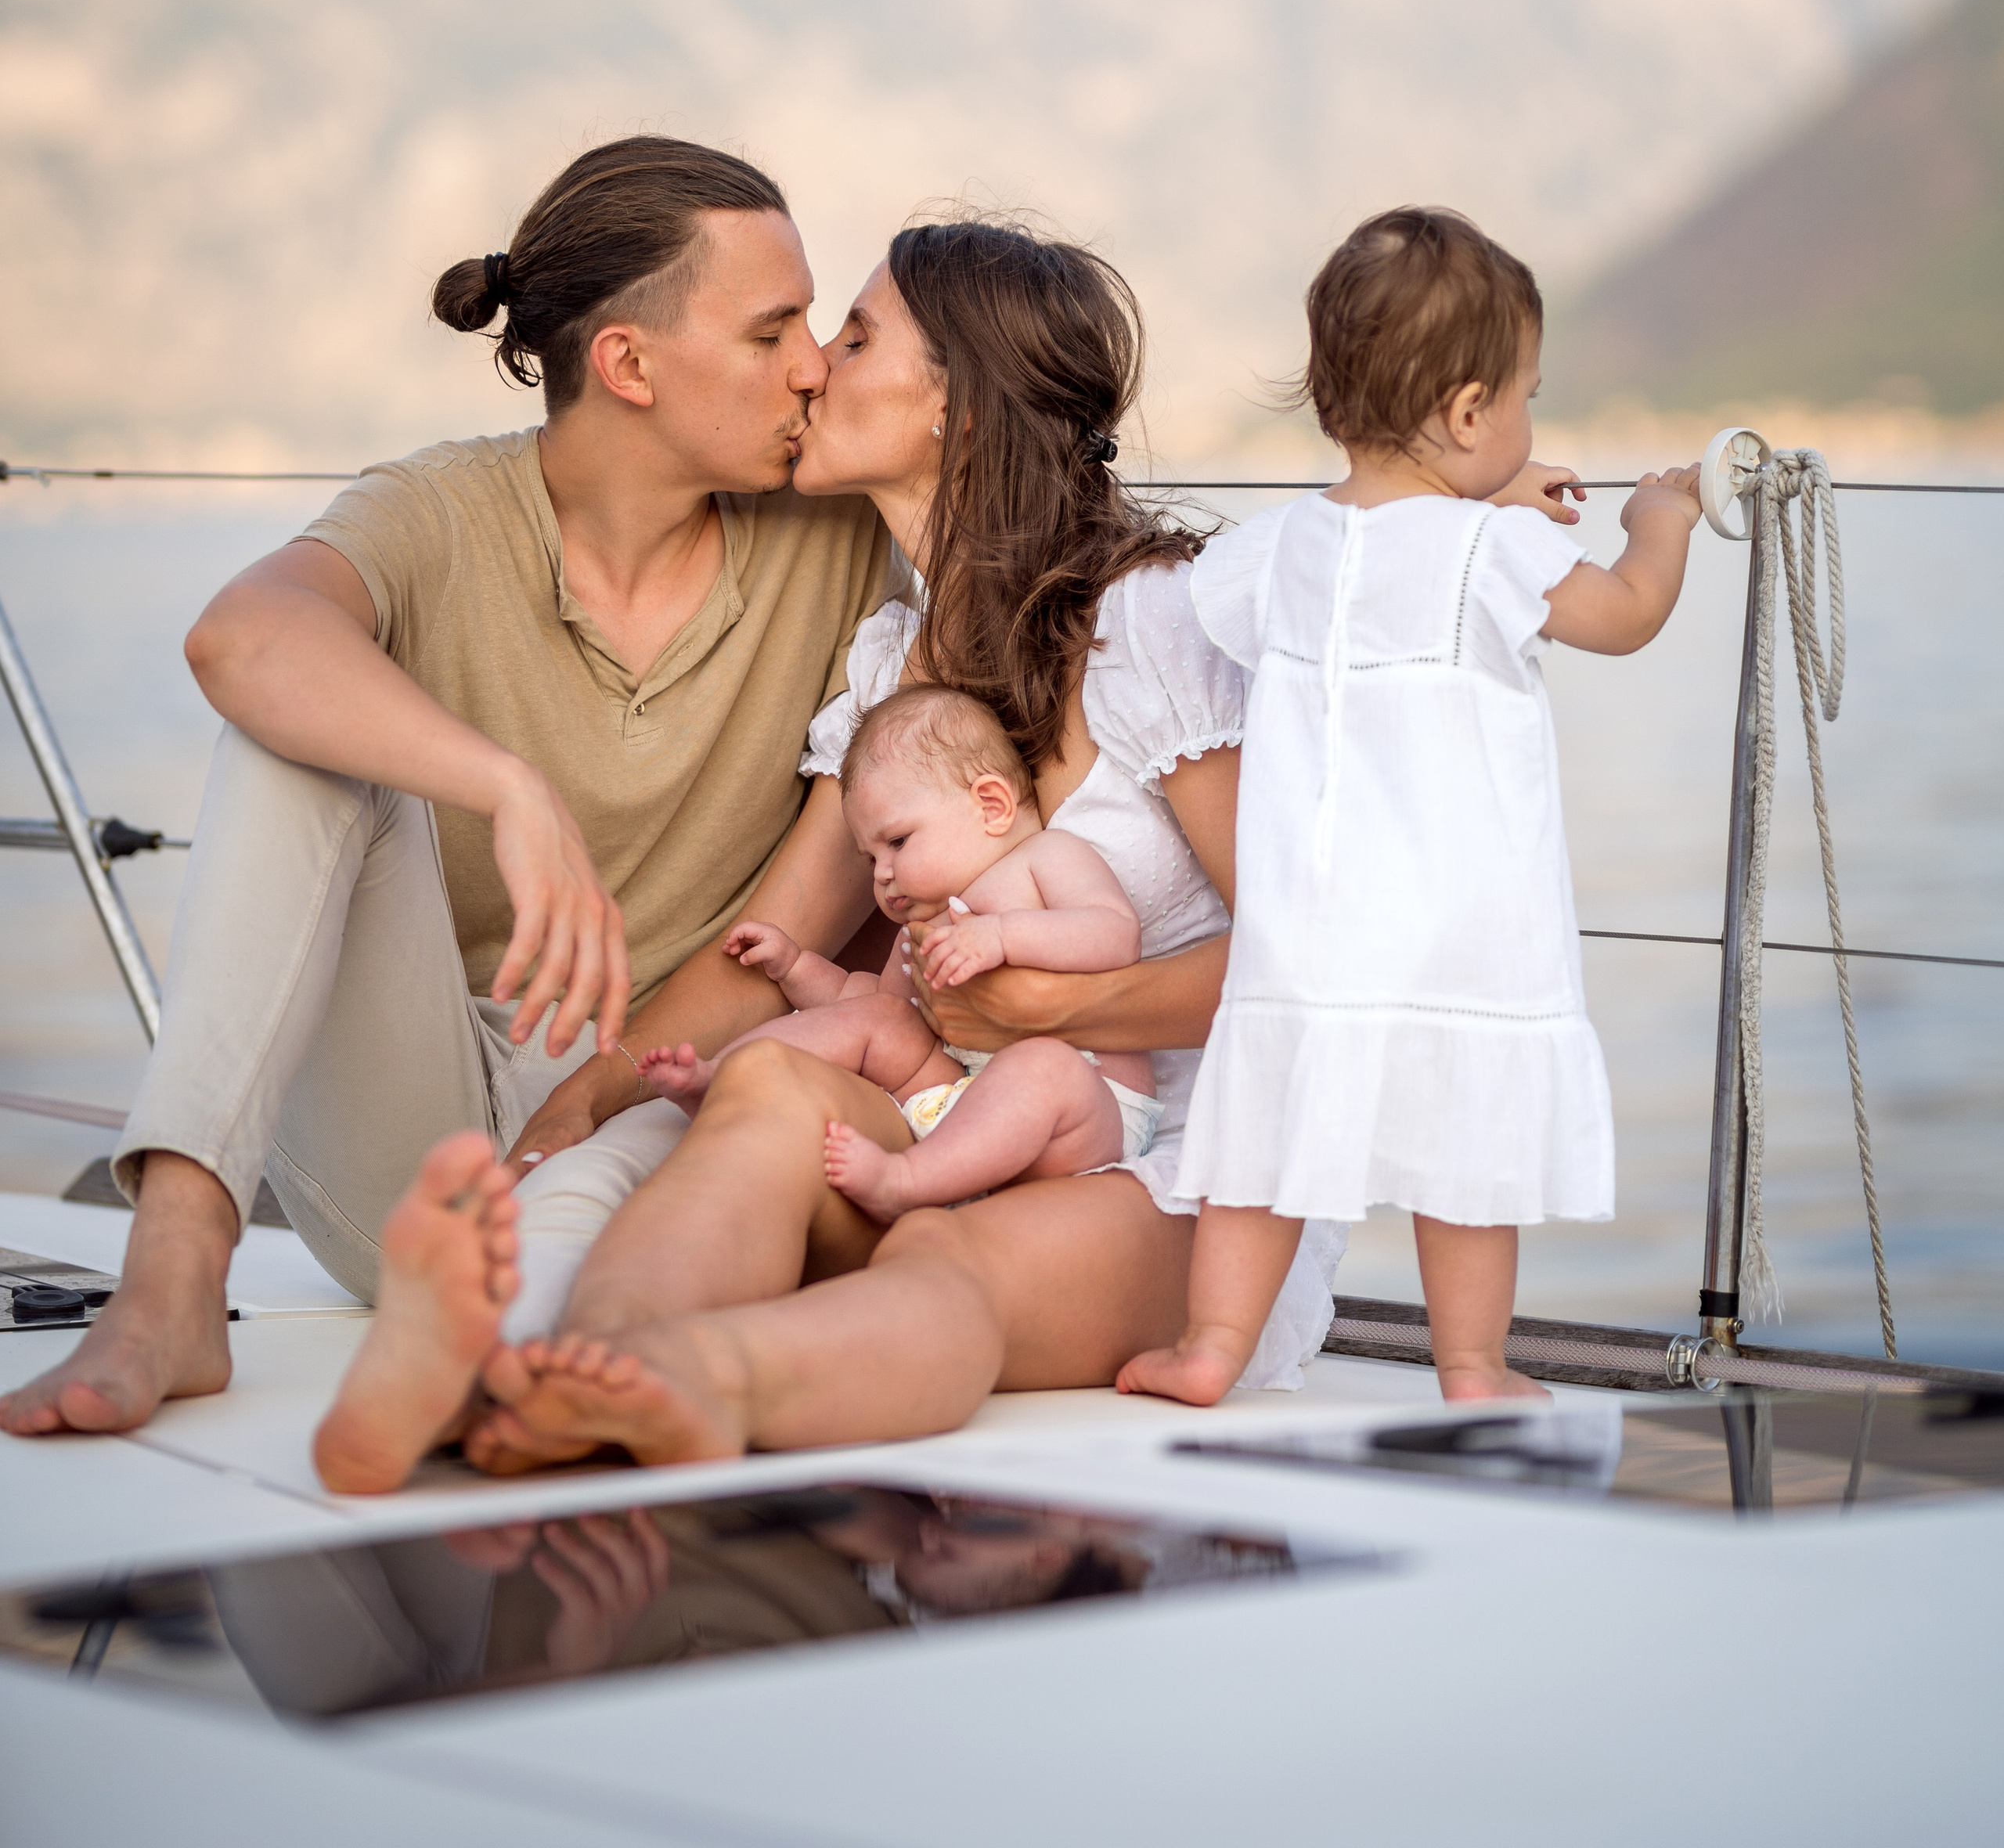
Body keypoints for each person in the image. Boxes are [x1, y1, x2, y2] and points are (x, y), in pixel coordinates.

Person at [308, 214, 1583, 1488]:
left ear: (954, 410)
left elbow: (1313, 961)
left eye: (857, 338)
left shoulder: (1149, 627)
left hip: (1178, 1174)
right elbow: (777, 942)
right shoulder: (889, 671)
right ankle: (564, 1376)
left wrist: (1074, 1001)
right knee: (763, 1091)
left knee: (948, 1260)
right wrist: (582, 1103)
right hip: (955, 1117)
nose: (814, 366)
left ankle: (698, 1383)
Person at [1, 135, 892, 1446]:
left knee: (690, 1152)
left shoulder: (840, 546)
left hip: (656, 1106)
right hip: (414, 1135)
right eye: (774, 331)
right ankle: (175, 1276)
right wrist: (503, 786)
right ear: (629, 365)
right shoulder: (447, 509)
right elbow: (239, 640)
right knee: (295, 730)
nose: (814, 363)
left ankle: (496, 1361)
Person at [1117, 207, 1702, 1410]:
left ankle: (1211, 1349)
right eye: (1525, 401)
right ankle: (1473, 1368)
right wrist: (1660, 523)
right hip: (1458, 931)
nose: (1532, 428)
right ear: (1473, 413)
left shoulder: (1276, 552)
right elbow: (1628, 616)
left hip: (1311, 931)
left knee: (1263, 1153)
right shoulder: (1495, 559)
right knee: (1464, 1163)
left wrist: (1478, 498)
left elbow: (1376, 539)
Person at [640, 679, 1162, 1221]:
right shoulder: (922, 926)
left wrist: (1003, 936)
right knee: (880, 1020)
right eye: (870, 860)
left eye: (897, 842)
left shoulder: (1046, 858)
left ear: (991, 805)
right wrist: (795, 967)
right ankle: (722, 1078)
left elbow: (1114, 934)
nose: (883, 877)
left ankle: (904, 1181)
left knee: (1045, 1066)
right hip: (961, 1101)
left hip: (1087, 1110)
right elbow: (867, 1002)